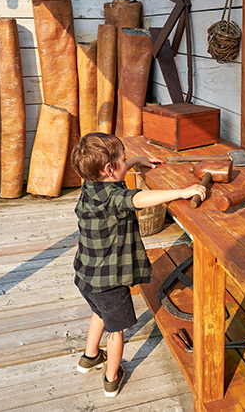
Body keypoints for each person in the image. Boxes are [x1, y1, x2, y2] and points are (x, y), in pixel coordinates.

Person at [70, 132, 205, 398]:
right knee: (115, 329)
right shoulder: (113, 198)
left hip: (87, 276)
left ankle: (89, 357)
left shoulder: (90, 185)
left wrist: (135, 160)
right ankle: (111, 378)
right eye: (122, 159)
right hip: (110, 282)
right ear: (109, 169)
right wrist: (181, 191)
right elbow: (136, 200)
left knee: (99, 313)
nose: (126, 161)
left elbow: (114, 174)